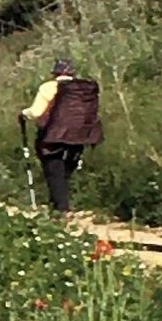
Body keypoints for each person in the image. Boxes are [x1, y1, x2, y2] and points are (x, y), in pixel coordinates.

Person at [19, 54, 103, 214]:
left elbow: (36, 112)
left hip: (53, 136)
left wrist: (23, 113)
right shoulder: (84, 90)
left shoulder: (48, 87)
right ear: (72, 73)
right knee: (65, 172)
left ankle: (60, 209)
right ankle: (60, 204)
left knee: (54, 171)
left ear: (55, 73)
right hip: (79, 136)